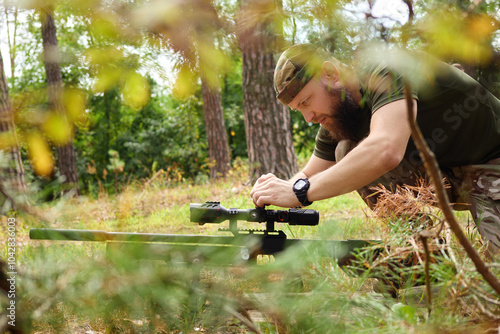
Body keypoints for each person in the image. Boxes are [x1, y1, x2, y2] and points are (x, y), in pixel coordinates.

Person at [250, 43, 500, 258]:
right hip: (452, 178)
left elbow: (385, 149)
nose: (308, 117)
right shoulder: (338, 117)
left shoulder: (386, 71)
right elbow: (308, 176)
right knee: (346, 151)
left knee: (494, 278)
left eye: (306, 102)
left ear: (330, 74)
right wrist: (277, 190)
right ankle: (425, 256)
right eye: (298, 109)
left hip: (492, 164)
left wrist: (300, 192)